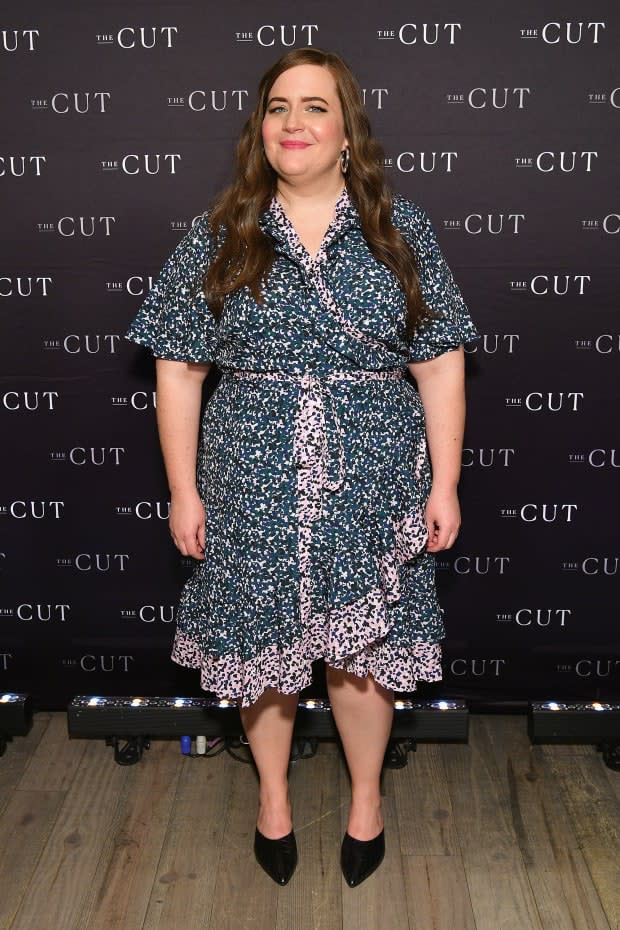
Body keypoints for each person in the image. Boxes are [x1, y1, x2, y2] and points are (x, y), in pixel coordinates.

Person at [126, 47, 477, 888]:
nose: (295, 124)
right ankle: (273, 799)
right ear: (260, 130)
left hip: (375, 470)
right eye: (280, 107)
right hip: (250, 474)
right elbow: (179, 368)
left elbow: (440, 363)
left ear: (348, 132)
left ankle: (364, 801)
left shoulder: (402, 230)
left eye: (316, 107)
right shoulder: (223, 233)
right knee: (264, 647)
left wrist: (445, 480)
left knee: (363, 653)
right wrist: (183, 491)